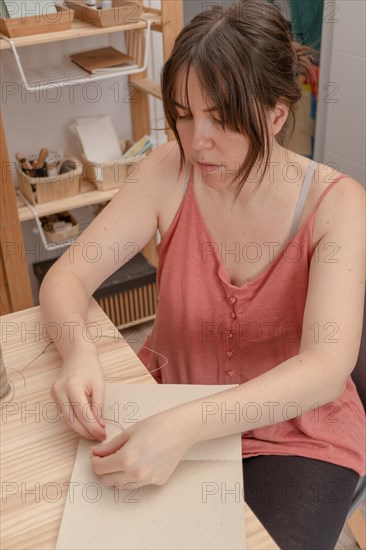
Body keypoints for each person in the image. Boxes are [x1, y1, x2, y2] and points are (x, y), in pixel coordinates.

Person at [40, 1, 365, 548]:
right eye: (184, 114)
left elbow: (327, 368)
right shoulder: (169, 170)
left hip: (295, 434)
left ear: (276, 114)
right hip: (167, 403)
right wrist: (79, 353)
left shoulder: (338, 205)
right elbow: (66, 279)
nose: (196, 141)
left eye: (221, 118)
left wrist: (185, 425)